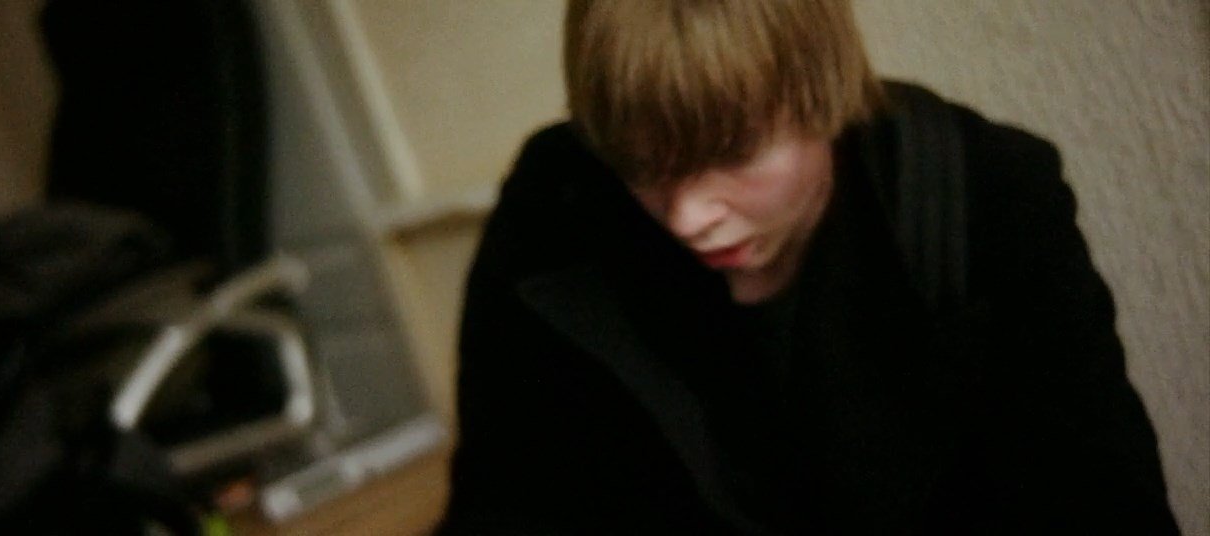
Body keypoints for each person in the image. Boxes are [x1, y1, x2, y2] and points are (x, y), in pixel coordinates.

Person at [438, 1, 1179, 533]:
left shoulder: (979, 194)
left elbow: (1102, 504)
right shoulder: (555, 211)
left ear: (823, 90)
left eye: (733, 154)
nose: (688, 217)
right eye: (642, 166)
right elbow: (501, 503)